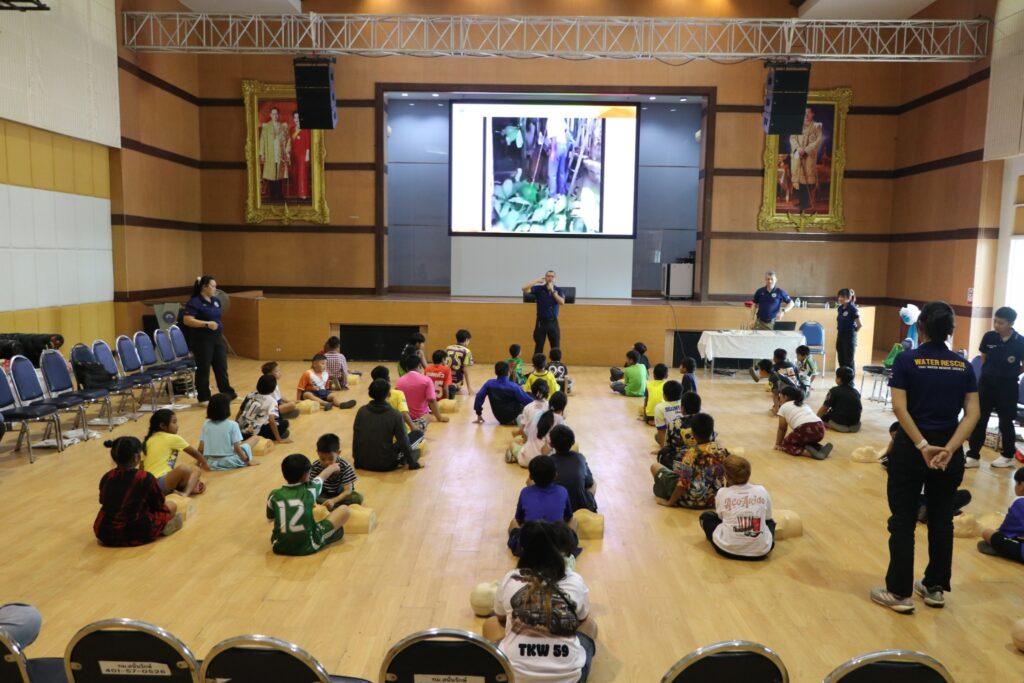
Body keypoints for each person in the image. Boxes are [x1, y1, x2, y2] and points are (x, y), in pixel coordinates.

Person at [872, 301, 979, 614]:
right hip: (949, 455)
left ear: (920, 327)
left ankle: (899, 592)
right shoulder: (963, 366)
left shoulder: (907, 360)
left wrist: (922, 445)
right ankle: (934, 588)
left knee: (903, 520)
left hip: (911, 451)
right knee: (941, 519)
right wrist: (949, 448)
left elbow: (899, 407)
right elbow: (972, 414)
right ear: (950, 330)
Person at [483, 520, 597, 683]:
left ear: (523, 550)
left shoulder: (511, 578)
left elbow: (500, 617)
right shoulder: (575, 580)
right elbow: (581, 619)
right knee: (590, 625)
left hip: (512, 677)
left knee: (491, 623)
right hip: (570, 679)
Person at [94, 436, 183, 547]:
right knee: (172, 506)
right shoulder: (145, 477)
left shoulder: (107, 477)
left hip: (103, 532)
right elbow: (159, 504)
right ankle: (161, 528)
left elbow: (103, 501)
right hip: (135, 531)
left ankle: (161, 528)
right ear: (136, 457)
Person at [966, 306, 1024, 469]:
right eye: (995, 321)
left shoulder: (1020, 342)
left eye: (1001, 323)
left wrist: (1009, 374)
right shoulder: (989, 336)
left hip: (1007, 387)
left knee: (1006, 422)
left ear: (1011, 324)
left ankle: (1008, 456)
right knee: (979, 419)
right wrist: (991, 373)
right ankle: (973, 456)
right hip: (986, 385)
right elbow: (983, 357)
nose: (996, 325)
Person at [266, 453, 350, 556]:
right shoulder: (310, 489)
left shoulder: (274, 494)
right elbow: (322, 476)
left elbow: (270, 519)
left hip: (279, 546)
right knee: (344, 510)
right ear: (306, 475)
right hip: (308, 546)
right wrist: (334, 467)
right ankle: (333, 534)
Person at [699, 455, 775, 561]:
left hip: (726, 549)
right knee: (770, 522)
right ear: (749, 474)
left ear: (726, 476)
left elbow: (721, 517)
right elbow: (768, 517)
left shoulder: (722, 492)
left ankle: (734, 539)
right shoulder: (761, 490)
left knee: (706, 517)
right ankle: (756, 541)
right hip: (761, 552)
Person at [651, 413, 727, 508]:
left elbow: (682, 483)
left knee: (655, 467)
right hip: (714, 500)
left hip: (691, 500)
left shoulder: (692, 453)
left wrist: (669, 503)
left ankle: (662, 490)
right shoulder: (721, 450)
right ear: (712, 431)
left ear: (693, 433)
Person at [181, 275, 235, 404]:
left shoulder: (216, 301)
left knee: (221, 366)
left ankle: (227, 393)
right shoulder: (194, 302)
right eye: (213, 286)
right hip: (202, 340)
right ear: (204, 287)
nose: (215, 289)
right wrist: (206, 324)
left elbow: (217, 317)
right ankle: (204, 397)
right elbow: (187, 320)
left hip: (217, 338)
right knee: (203, 368)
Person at [508, 455, 574, 555]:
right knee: (574, 521)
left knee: (513, 522)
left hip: (529, 548)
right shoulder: (562, 491)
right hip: (556, 547)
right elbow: (568, 517)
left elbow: (519, 519)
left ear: (531, 476)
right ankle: (567, 549)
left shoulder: (525, 492)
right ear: (555, 475)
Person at [352, 378, 419, 471]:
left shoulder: (361, 411)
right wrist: (413, 463)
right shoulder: (395, 414)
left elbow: (356, 438)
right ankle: (405, 459)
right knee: (418, 434)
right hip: (385, 464)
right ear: (389, 394)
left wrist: (357, 460)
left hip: (361, 462)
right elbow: (403, 441)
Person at [143, 409, 208, 495]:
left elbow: (141, 467)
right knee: (191, 469)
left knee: (190, 472)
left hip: (148, 485)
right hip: (159, 483)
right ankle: (185, 493)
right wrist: (206, 464)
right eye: (174, 422)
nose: (177, 426)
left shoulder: (148, 441)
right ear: (163, 426)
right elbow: (195, 453)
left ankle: (182, 488)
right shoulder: (172, 438)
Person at [977, 467, 1024, 563]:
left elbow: (1006, 532)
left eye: (1016, 483)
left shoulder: (1020, 503)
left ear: (1022, 485)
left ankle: (1001, 551)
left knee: (987, 533)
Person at [198, 393, 257, 470]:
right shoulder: (233, 424)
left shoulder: (206, 424)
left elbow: (201, 448)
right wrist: (248, 462)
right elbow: (237, 449)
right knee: (254, 439)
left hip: (211, 462)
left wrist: (199, 463)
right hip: (228, 462)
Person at [774, 386, 832, 459]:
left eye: (780, 396)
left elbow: (782, 428)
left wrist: (778, 444)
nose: (779, 398)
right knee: (804, 440)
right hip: (820, 428)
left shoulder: (784, 406)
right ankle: (820, 448)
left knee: (786, 444)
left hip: (805, 428)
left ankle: (810, 454)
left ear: (785, 397)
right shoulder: (803, 404)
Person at [549, 424, 597, 513]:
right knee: (594, 483)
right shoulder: (580, 458)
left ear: (551, 444)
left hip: (557, 508)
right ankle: (589, 509)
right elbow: (589, 481)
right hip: (580, 508)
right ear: (573, 442)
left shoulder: (549, 461)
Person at [396, 355, 449, 431]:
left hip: (405, 418)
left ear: (406, 368)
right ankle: (417, 427)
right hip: (421, 416)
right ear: (420, 366)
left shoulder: (399, 381)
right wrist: (439, 417)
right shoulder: (426, 380)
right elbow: (431, 400)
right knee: (429, 417)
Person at [370, 365, 421, 442]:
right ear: (388, 379)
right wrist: (413, 428)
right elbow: (404, 413)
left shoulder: (373, 397)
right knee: (426, 420)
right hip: (400, 438)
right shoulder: (398, 394)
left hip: (381, 439)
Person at [311, 433, 363, 508]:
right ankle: (333, 507)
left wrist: (333, 501)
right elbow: (312, 487)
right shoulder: (315, 466)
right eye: (322, 459)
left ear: (338, 453)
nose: (326, 462)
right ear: (318, 453)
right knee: (310, 496)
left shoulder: (345, 466)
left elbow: (348, 490)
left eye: (330, 459)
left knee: (357, 498)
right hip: (323, 494)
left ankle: (327, 506)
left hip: (340, 495)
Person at [474, 361, 533, 425]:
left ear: (495, 372)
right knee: (530, 396)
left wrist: (479, 413)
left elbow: (479, 396)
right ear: (508, 372)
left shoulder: (489, 384)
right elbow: (527, 401)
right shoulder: (514, 386)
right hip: (514, 417)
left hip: (500, 418)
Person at [519, 391, 568, 468]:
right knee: (574, 446)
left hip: (525, 460)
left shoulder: (539, 414)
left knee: (516, 442)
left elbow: (526, 432)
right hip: (543, 464)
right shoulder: (560, 421)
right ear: (563, 407)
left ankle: (514, 453)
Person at [238, 374, 291, 444]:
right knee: (285, 423)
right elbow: (271, 420)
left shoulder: (250, 395)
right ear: (273, 388)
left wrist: (237, 425)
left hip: (240, 430)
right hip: (252, 433)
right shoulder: (272, 401)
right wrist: (279, 439)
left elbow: (240, 410)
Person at [523, 271, 566, 355]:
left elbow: (562, 302)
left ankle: (556, 362)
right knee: (539, 344)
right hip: (541, 321)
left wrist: (552, 291)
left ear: (555, 278)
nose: (550, 278)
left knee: (555, 345)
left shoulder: (558, 290)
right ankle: (537, 362)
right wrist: (536, 281)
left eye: (552, 276)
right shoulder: (539, 289)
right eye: (548, 276)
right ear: (545, 278)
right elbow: (524, 289)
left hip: (553, 321)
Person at [789, 107, 824, 210]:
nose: (806, 115)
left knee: (807, 178)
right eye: (804, 113)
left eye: (808, 113)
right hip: (798, 154)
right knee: (798, 178)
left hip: (809, 156)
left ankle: (806, 203)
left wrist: (806, 150)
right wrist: (798, 148)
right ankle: (801, 201)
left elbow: (818, 141)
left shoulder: (817, 126)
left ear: (813, 114)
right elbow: (792, 138)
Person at [818, 366, 862, 432]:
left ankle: (830, 425)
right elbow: (860, 409)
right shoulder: (856, 392)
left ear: (839, 379)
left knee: (823, 416)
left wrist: (816, 418)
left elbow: (825, 408)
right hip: (855, 426)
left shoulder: (833, 391)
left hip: (840, 425)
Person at [258, 106, 289, 200]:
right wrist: (262, 154)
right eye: (273, 114)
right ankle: (272, 195)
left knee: (279, 174)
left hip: (280, 153)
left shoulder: (283, 127)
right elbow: (262, 141)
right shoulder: (266, 127)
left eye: (276, 114)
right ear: (270, 115)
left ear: (278, 115)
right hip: (270, 153)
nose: (275, 115)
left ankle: (279, 195)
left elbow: (288, 140)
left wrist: (287, 152)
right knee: (271, 174)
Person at [836, 288, 861, 373]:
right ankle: (842, 378)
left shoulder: (853, 309)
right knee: (841, 359)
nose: (840, 298)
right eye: (839, 296)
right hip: (840, 335)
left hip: (849, 336)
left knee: (849, 360)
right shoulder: (840, 308)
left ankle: (850, 380)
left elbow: (859, 325)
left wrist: (852, 334)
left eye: (842, 297)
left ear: (849, 298)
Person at [288, 110, 310, 199]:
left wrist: (307, 155)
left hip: (303, 155)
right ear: (293, 119)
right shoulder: (292, 129)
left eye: (298, 117)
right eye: (295, 117)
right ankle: (297, 192)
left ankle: (303, 193)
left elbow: (308, 143)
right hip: (294, 155)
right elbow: (290, 142)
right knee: (295, 174)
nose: (296, 119)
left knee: (302, 174)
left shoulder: (305, 129)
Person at [445, 329, 475, 395]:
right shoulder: (467, 351)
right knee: (459, 385)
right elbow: (465, 370)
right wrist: (469, 388)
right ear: (466, 340)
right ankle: (456, 386)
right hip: (457, 380)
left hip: (446, 379)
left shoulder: (448, 348)